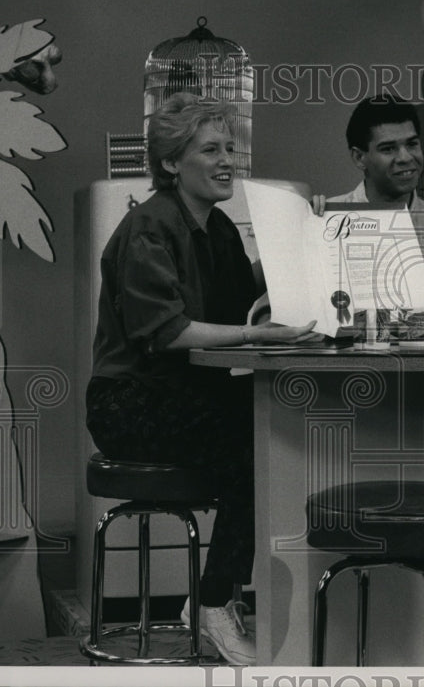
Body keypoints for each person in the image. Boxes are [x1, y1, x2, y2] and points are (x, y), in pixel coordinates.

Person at [85, 92, 317, 664]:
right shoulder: (148, 227)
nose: (228, 161)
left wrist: (304, 244)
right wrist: (251, 338)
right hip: (128, 402)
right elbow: (167, 332)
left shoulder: (219, 231)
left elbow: (238, 299)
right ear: (170, 164)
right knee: (255, 443)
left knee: (280, 424)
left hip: (188, 393)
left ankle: (215, 599)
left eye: (230, 149)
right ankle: (214, 603)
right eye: (210, 149)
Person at [311, 95, 424, 339]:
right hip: (333, 375)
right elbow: (274, 318)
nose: (405, 157)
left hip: (420, 375)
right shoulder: (320, 220)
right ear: (359, 157)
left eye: (412, 144)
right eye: (388, 148)